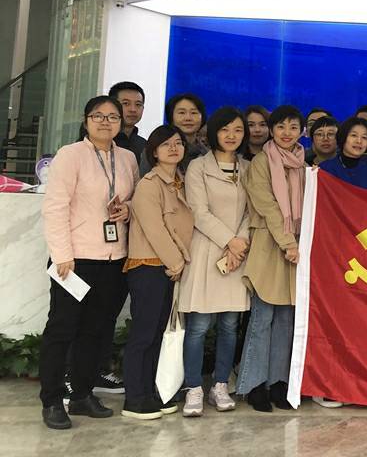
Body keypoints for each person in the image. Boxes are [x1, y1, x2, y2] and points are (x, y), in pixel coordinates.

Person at [39, 96, 139, 430]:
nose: (106, 122)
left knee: (97, 330)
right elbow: (55, 207)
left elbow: (133, 199)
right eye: (99, 116)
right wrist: (62, 254)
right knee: (62, 329)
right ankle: (52, 400)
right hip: (75, 260)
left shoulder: (126, 158)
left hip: (114, 259)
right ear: (86, 121)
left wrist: (127, 210)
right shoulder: (70, 155)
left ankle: (82, 394)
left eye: (113, 117)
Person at [178, 107, 252, 417]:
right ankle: (194, 387)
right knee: (198, 326)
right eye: (225, 129)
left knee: (229, 325)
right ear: (213, 133)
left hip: (237, 255)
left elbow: (252, 211)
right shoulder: (197, 166)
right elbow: (198, 211)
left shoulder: (248, 167)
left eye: (237, 130)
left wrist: (240, 242)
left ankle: (220, 384)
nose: (231, 135)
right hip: (207, 251)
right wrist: (230, 241)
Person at [122, 124, 194, 420]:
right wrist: (176, 263)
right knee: (144, 333)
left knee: (157, 333)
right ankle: (134, 398)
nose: (173, 148)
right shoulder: (149, 184)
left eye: (178, 143)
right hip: (150, 266)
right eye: (166, 144)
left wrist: (177, 264)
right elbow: (155, 229)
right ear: (153, 152)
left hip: (169, 267)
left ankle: (152, 392)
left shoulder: (181, 182)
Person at [238, 105, 306, 412]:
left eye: (293, 127)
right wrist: (288, 242)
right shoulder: (261, 162)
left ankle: (279, 383)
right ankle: (254, 385)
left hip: (296, 249)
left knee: (286, 320)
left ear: (301, 131)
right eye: (280, 127)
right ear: (271, 130)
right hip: (270, 245)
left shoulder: (304, 165)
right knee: (262, 318)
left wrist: (296, 244)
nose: (286, 133)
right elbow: (267, 206)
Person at [144, 94, 207, 174]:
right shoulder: (156, 149)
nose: (188, 118)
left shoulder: (208, 153)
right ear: (171, 117)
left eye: (194, 113)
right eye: (181, 112)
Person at [320, 117, 367, 191]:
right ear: (343, 137)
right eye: (354, 135)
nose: (359, 141)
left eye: (364, 137)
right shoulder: (324, 169)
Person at [110, 82, 148, 164]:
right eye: (126, 103)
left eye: (138, 104)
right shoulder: (102, 141)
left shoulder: (144, 145)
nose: (133, 109)